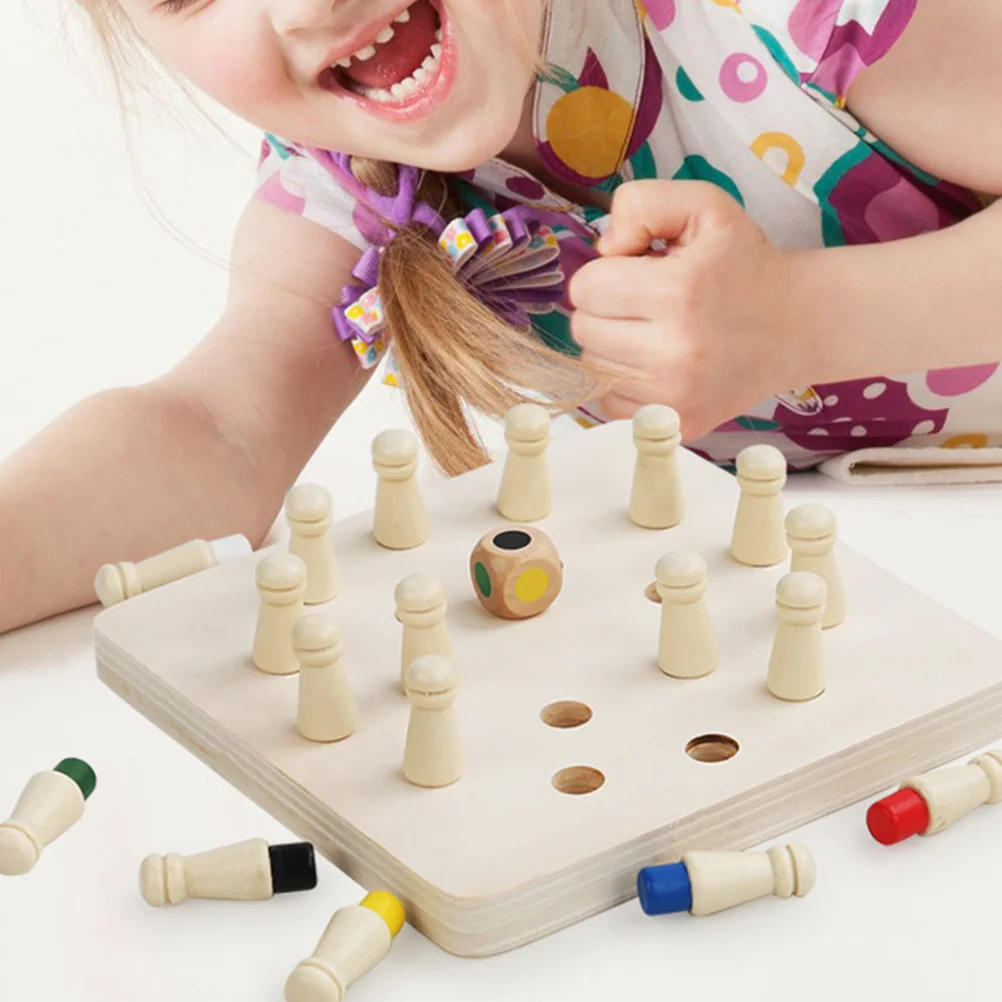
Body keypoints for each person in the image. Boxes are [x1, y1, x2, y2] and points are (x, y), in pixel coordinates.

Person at [2, 0, 1000, 635]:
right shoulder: (355, 187)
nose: (308, 6)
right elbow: (216, 432)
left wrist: (805, 320)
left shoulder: (809, 16)